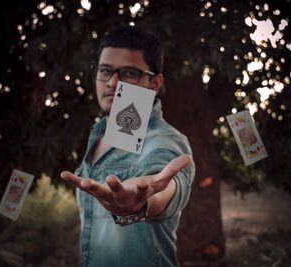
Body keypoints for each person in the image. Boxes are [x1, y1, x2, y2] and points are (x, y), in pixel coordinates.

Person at [60, 26, 195, 267]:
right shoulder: (99, 133)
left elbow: (164, 179)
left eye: (129, 73)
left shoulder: (164, 139)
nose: (112, 82)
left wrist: (142, 201)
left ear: (154, 83)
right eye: (105, 70)